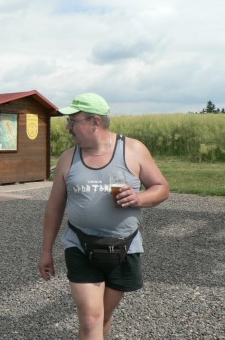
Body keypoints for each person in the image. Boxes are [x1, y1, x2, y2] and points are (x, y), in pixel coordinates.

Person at [38, 93, 169, 340]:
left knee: (103, 317)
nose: (68, 127)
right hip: (80, 245)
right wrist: (46, 251)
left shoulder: (133, 150)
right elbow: (54, 207)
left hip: (124, 246)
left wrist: (139, 198)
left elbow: (162, 188)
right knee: (90, 318)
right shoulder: (68, 158)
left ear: (95, 122)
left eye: (73, 121)